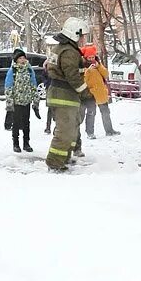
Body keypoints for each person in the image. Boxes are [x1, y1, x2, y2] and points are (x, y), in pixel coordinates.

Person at [44, 18, 92, 172]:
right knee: (65, 132)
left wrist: (83, 63)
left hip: (64, 96)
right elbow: (72, 75)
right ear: (75, 34)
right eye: (82, 35)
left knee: (71, 130)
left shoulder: (64, 49)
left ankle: (63, 158)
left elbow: (65, 68)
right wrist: (86, 94)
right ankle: (55, 163)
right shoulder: (69, 51)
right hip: (64, 97)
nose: (84, 39)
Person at [3, 48, 41, 153]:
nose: (22, 60)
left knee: (26, 123)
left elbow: (33, 85)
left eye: (23, 57)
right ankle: (16, 143)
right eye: (20, 58)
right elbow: (8, 87)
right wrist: (10, 102)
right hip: (16, 101)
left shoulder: (29, 70)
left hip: (26, 100)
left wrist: (35, 100)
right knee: (16, 123)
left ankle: (26, 143)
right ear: (16, 60)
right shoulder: (13, 71)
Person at [80, 45, 119, 139]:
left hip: (100, 93)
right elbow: (83, 80)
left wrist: (99, 66)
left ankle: (109, 130)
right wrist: (88, 70)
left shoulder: (98, 64)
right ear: (85, 57)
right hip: (90, 94)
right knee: (91, 113)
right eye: (89, 57)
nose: (91, 59)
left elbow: (106, 74)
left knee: (105, 112)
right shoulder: (83, 67)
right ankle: (90, 132)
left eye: (93, 57)